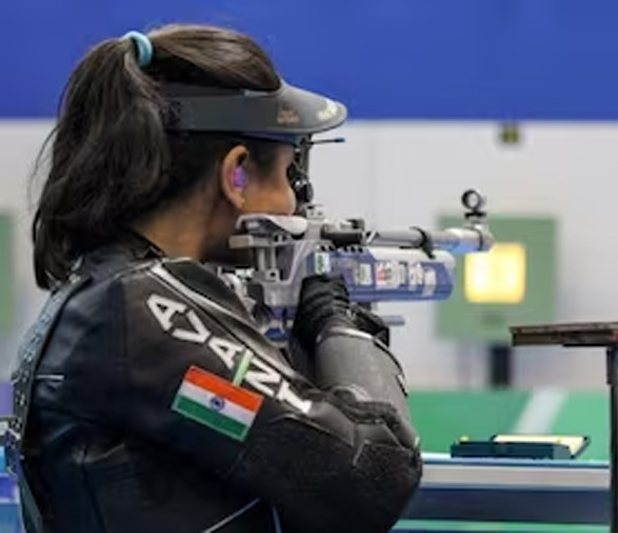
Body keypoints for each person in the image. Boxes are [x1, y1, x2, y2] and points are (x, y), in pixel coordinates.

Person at [5, 24, 422, 533]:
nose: (295, 202)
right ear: (237, 174)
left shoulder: (111, 297)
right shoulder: (146, 312)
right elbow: (373, 476)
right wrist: (340, 325)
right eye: (290, 173)